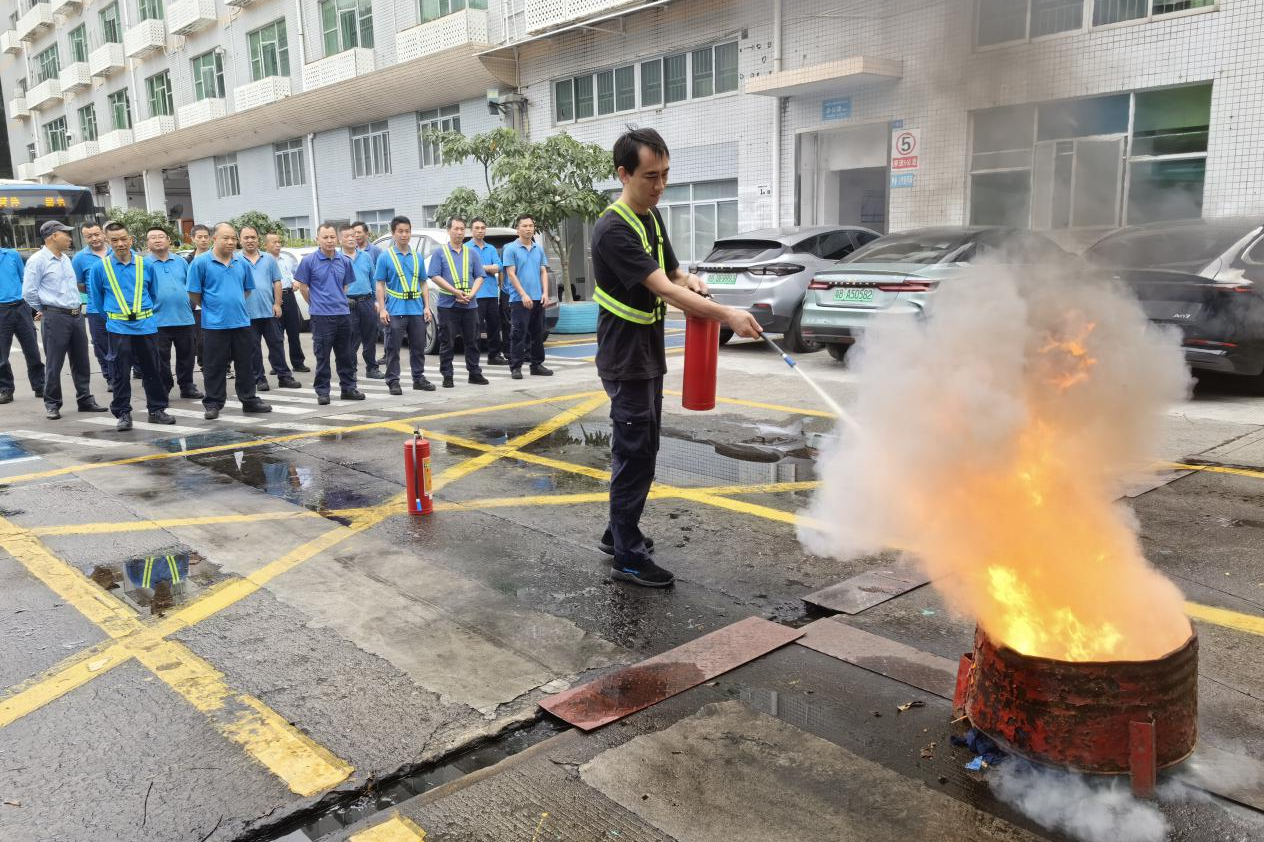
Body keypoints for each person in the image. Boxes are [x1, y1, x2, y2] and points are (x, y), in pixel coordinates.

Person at [593, 128, 761, 588]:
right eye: (651, 176)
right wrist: (726, 313)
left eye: (666, 175)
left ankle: (617, 532)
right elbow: (663, 289)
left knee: (644, 448)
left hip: (647, 354)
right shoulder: (612, 228)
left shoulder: (650, 217)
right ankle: (627, 556)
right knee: (634, 454)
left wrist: (693, 280)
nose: (660, 185)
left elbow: (672, 272)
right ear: (624, 174)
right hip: (625, 359)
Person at [86, 222, 174, 431]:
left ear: (131, 240)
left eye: (123, 239)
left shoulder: (146, 265)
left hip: (146, 326)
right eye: (114, 240)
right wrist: (116, 316)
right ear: (108, 241)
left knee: (153, 370)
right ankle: (123, 413)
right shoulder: (100, 268)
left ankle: (157, 410)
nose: (120, 244)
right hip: (118, 328)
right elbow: (98, 300)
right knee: (120, 372)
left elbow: (153, 293)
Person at [22, 220, 107, 420]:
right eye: (65, 234)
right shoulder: (37, 260)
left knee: (81, 360)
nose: (70, 238)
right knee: (54, 362)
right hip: (55, 317)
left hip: (75, 315)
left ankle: (85, 399)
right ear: (53, 236)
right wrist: (47, 309)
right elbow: (28, 292)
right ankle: (52, 403)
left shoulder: (65, 259)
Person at [187, 223, 272, 420]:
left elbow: (247, 289)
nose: (231, 242)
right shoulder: (201, 263)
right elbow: (193, 292)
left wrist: (234, 304)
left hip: (241, 322)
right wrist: (214, 306)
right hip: (214, 324)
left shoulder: (241, 262)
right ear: (214, 239)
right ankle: (213, 403)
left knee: (245, 364)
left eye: (233, 238)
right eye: (226, 238)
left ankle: (249, 400)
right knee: (214, 365)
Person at [294, 223, 364, 405]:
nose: (329, 240)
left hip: (343, 314)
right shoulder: (309, 261)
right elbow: (303, 287)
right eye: (325, 237)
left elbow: (345, 286)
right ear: (318, 239)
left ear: (337, 238)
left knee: (346, 355)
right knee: (322, 356)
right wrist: (315, 303)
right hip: (321, 316)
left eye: (332, 237)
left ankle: (348, 388)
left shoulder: (344, 261)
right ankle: (323, 391)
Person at [373, 215, 434, 396]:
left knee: (418, 346)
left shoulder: (417, 257)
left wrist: (426, 306)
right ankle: (393, 380)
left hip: (416, 309)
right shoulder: (385, 257)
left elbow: (423, 283)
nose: (404, 235)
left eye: (407, 231)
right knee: (393, 348)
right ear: (393, 234)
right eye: (400, 231)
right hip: (395, 310)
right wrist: (382, 308)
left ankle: (418, 378)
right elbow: (380, 284)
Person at [427, 216, 489, 389]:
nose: (460, 232)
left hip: (470, 305)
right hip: (448, 305)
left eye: (462, 229)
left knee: (473, 340)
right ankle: (447, 375)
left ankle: (474, 373)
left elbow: (479, 276)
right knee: (447, 342)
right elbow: (434, 275)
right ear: (449, 230)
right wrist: (455, 292)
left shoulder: (472, 253)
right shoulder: (440, 253)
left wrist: (471, 294)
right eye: (456, 229)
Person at [240, 226, 299, 392]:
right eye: (246, 238)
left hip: (269, 311)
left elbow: (277, 282)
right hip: (247, 313)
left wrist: (277, 303)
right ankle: (259, 379)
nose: (250, 240)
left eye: (253, 237)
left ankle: (285, 377)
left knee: (277, 344)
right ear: (240, 240)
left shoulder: (268, 259)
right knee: (252, 348)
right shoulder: (236, 260)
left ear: (258, 240)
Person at [146, 227, 202, 400]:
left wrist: (191, 303)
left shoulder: (181, 262)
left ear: (169, 240)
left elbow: (191, 285)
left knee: (186, 356)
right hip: (158, 320)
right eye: (153, 237)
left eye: (161, 236)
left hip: (184, 317)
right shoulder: (144, 264)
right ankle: (164, 387)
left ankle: (187, 386)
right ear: (147, 243)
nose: (157, 240)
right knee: (160, 359)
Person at [503, 214, 553, 380]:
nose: (528, 228)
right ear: (518, 229)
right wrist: (523, 294)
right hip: (519, 300)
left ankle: (537, 365)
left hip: (538, 298)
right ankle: (516, 367)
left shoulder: (538, 248)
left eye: (531, 225)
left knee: (537, 333)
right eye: (524, 226)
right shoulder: (510, 249)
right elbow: (511, 274)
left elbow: (543, 271)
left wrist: (545, 293)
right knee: (518, 334)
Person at [0, 245, 44, 404]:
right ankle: (5, 389)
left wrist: (31, 306)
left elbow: (23, 279)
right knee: (1, 356)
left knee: (32, 349)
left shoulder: (12, 254)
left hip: (21, 306)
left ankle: (40, 385)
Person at [72, 221, 113, 388]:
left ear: (103, 234)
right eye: (89, 236)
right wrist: (95, 293)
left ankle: (134, 369)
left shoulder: (117, 250)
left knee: (126, 342)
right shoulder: (79, 258)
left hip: (121, 307)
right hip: (96, 309)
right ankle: (110, 377)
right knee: (101, 345)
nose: (94, 238)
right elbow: (80, 284)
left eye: (97, 234)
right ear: (84, 238)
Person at [342, 225, 383, 380]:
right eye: (347, 236)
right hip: (348, 303)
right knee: (351, 339)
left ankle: (372, 367)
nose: (352, 238)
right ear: (341, 239)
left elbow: (374, 279)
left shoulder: (365, 256)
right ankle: (351, 369)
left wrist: (377, 301)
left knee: (370, 336)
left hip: (367, 301)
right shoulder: (338, 258)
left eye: (353, 235)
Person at [266, 233, 309, 372]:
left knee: (294, 331)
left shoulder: (287, 259)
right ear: (266, 244)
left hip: (289, 296)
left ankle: (298, 362)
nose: (278, 244)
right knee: (275, 335)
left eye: (279, 242)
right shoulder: (264, 261)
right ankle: (277, 364)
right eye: (274, 242)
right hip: (272, 298)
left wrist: (296, 281)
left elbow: (297, 275)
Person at [469, 218, 506, 366]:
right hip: (475, 294)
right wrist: (489, 268)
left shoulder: (490, 248)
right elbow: (468, 269)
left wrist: (482, 268)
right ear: (471, 230)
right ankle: (474, 359)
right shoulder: (466, 248)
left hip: (491, 293)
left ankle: (494, 356)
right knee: (474, 329)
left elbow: (500, 266)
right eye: (477, 228)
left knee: (494, 327)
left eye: (483, 228)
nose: (480, 230)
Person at [184, 223, 212, 370]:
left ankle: (225, 366)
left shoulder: (218, 256)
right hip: (196, 305)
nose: (203, 240)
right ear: (193, 239)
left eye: (206, 237)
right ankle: (204, 365)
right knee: (201, 339)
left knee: (219, 337)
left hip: (215, 304)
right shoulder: (188, 260)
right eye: (199, 237)